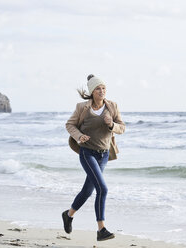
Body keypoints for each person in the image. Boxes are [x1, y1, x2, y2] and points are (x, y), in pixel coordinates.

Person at [62, 74, 125, 241]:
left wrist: (111, 124)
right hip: (87, 153)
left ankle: (68, 215)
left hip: (103, 154)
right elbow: (70, 125)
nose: (102, 91)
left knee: (87, 191)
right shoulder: (82, 108)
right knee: (102, 189)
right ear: (92, 92)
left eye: (104, 88)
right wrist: (79, 136)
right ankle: (101, 229)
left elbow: (122, 128)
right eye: (98, 88)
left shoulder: (112, 106)